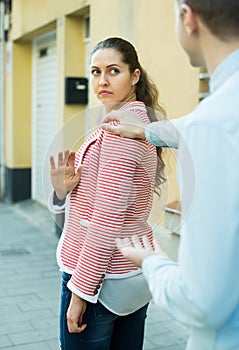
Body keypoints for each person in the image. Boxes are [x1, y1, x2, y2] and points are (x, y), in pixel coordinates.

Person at [101, 1, 239, 349]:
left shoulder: (215, 123)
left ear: (188, 17)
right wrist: (146, 132)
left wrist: (153, 263)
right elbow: (194, 126)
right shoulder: (216, 116)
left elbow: (201, 302)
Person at [48, 37, 166, 350]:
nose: (102, 81)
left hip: (101, 281)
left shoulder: (120, 130)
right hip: (129, 274)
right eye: (96, 72)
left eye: (113, 71)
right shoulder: (133, 124)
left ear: (135, 76)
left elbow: (107, 218)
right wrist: (63, 191)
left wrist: (80, 293)